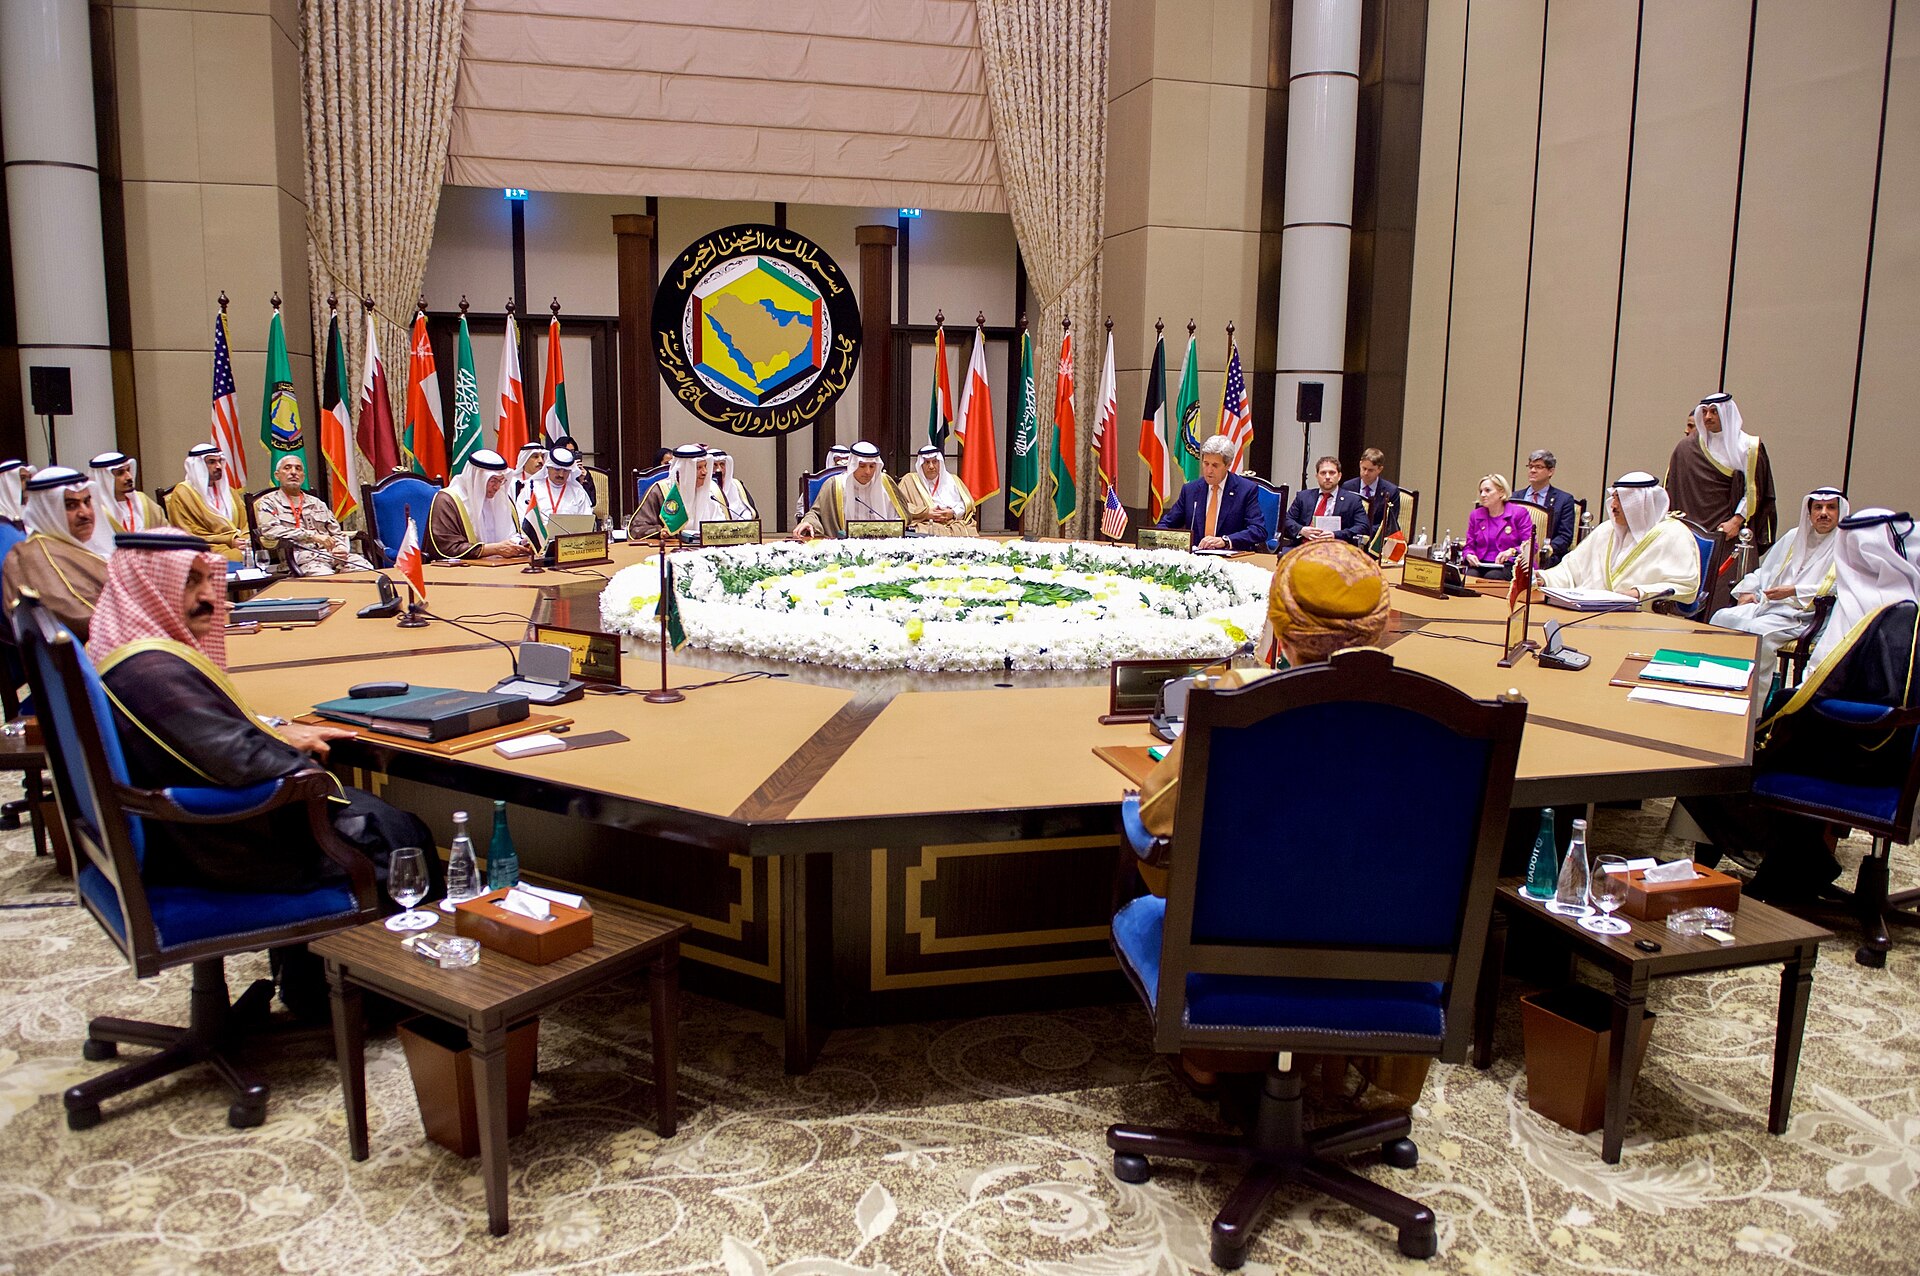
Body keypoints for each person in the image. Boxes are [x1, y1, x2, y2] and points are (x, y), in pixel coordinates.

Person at [86, 530, 433, 1015]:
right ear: (147, 586)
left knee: (368, 810)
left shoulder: (123, 649)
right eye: (190, 582)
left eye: (210, 579)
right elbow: (247, 762)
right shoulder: (151, 671)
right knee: (394, 832)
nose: (210, 596)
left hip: (163, 831)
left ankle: (308, 978)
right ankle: (363, 1001)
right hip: (210, 841)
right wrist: (298, 757)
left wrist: (270, 727)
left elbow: (201, 732)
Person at [1133, 541, 1417, 1104]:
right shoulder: (1432, 719)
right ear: (1381, 630)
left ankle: (1213, 1056)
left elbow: (1155, 817)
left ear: (1281, 635)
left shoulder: (1235, 705)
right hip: (1378, 945)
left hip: (1236, 947)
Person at [1680, 510, 1920, 900]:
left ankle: (1794, 863)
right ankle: (1802, 860)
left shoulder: (1888, 614)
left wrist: (1791, 710)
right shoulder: (1899, 602)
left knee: (1704, 764)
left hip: (1860, 750)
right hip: (1861, 743)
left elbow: (1874, 706)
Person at [1711, 487, 1847, 666]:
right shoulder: (1794, 536)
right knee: (1721, 619)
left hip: (1803, 615)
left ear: (1840, 512)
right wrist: (1747, 589)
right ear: (1809, 512)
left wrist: (1793, 591)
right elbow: (1766, 570)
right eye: (1818, 507)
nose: (1823, 513)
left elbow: (1840, 587)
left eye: (1830, 507)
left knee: (1756, 632)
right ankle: (1717, 679)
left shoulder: (1846, 544)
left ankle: (1755, 690)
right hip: (1769, 606)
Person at [1666, 392, 1777, 613]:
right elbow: (1671, 487)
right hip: (1691, 531)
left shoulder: (1748, 446)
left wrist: (1737, 520)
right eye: (1704, 412)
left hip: (1728, 532)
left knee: (1722, 596)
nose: (1708, 417)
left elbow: (1754, 489)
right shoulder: (1687, 448)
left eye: (1714, 411)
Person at [1538, 472, 1699, 604]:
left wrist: (1639, 593)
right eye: (1613, 498)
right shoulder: (1606, 530)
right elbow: (1571, 569)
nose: (1613, 506)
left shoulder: (1674, 534)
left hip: (1643, 619)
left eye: (1621, 499)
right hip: (1588, 612)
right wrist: (1544, 578)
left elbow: (1686, 586)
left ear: (1640, 503)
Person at [2, 467, 111, 639]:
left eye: (87, 502)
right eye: (71, 505)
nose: (85, 513)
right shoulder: (39, 556)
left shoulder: (63, 545)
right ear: (46, 511)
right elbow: (85, 620)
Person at [254, 454, 375, 575]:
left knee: (367, 570)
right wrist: (311, 535)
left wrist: (341, 548)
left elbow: (336, 532)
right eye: (287, 468)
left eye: (298, 469)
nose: (293, 472)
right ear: (277, 475)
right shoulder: (268, 502)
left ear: (303, 476)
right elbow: (270, 531)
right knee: (326, 579)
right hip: (301, 560)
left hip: (331, 555)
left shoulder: (317, 503)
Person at [1155, 435, 1268, 551]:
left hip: (1230, 559)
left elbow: (1258, 530)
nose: (1209, 470)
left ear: (1228, 465)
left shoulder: (1246, 490)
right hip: (1195, 558)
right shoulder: (1190, 490)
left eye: (1215, 465)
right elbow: (1166, 524)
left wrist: (1225, 540)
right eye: (1206, 463)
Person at [793, 441, 907, 540]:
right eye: (862, 466)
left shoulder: (886, 483)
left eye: (872, 466)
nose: (868, 472)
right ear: (853, 464)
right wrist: (808, 522)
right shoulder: (835, 485)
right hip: (844, 547)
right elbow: (815, 514)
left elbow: (901, 515)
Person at [426, 449, 527, 561]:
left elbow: (510, 535)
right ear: (476, 477)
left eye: (501, 481)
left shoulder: (502, 499)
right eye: (493, 481)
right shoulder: (448, 500)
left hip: (501, 566)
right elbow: (446, 548)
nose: (497, 487)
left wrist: (519, 543)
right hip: (463, 571)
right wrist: (493, 549)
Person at [163, 443, 250, 559]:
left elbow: (245, 522)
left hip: (239, 544)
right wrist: (229, 540)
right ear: (197, 465)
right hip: (205, 547)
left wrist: (244, 539)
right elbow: (188, 532)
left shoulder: (229, 492)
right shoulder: (183, 493)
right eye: (212, 462)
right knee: (236, 557)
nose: (218, 466)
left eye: (220, 461)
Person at [629, 444, 727, 540]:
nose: (705, 472)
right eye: (699, 468)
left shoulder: (712, 491)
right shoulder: (661, 491)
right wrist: (660, 531)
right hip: (671, 550)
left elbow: (724, 527)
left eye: (705, 466)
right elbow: (636, 529)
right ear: (684, 470)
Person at [1282, 456, 1370, 549]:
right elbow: (1287, 520)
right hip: (1303, 547)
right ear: (1317, 476)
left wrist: (1336, 535)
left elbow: (1363, 527)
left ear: (1339, 476)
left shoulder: (1352, 500)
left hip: (1336, 550)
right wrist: (1302, 530)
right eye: (1323, 473)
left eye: (1332, 473)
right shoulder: (1303, 497)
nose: (1327, 477)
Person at [1512, 448, 1579, 567]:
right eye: (1530, 466)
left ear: (1551, 471)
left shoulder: (1564, 500)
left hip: (1547, 557)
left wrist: (1546, 550)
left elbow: (1565, 536)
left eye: (1538, 467)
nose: (1532, 470)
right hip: (1513, 555)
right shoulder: (1515, 497)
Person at [1462, 474, 1536, 580]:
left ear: (1501, 492)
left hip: (1510, 565)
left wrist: (1512, 551)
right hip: (1481, 564)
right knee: (1468, 577)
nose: (1483, 494)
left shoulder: (1519, 513)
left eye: (1487, 490)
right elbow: (1469, 546)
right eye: (1481, 491)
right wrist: (1469, 555)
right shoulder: (1476, 515)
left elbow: (1532, 546)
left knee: (1492, 577)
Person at [518, 444, 592, 542]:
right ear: (548, 467)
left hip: (571, 545)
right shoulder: (532, 488)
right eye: (557, 469)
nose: (561, 474)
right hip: (538, 543)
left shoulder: (578, 492)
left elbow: (586, 523)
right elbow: (521, 518)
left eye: (565, 471)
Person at [899, 445, 979, 536]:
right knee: (920, 532)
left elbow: (967, 505)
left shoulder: (953, 480)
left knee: (967, 530)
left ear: (940, 463)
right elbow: (900, 506)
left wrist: (953, 513)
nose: (931, 466)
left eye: (934, 462)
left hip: (952, 523)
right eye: (927, 462)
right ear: (921, 465)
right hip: (925, 523)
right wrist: (925, 513)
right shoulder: (909, 480)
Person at [1340, 447, 1401, 554]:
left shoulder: (1391, 491)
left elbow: (1388, 523)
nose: (1366, 473)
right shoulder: (1348, 486)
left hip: (1376, 542)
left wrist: (1364, 532)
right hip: (1350, 538)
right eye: (1363, 468)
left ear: (1380, 469)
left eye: (1371, 470)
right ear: (1360, 464)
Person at [88, 452, 167, 534]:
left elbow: (168, 533)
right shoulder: (95, 512)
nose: (129, 477)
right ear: (104, 479)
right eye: (120, 473)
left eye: (128, 470)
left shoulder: (143, 501)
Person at [798, 444, 853, 520]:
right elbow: (802, 509)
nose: (843, 464)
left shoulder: (854, 481)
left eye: (846, 460)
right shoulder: (819, 481)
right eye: (838, 460)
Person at [708, 449, 759, 520]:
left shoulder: (737, 485)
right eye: (715, 465)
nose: (718, 470)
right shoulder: (704, 488)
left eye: (722, 464)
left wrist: (744, 519)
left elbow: (746, 510)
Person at [0, 459, 30, 527]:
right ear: (6, 484)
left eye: (29, 478)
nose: (28, 482)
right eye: (22, 478)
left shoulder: (32, 513)